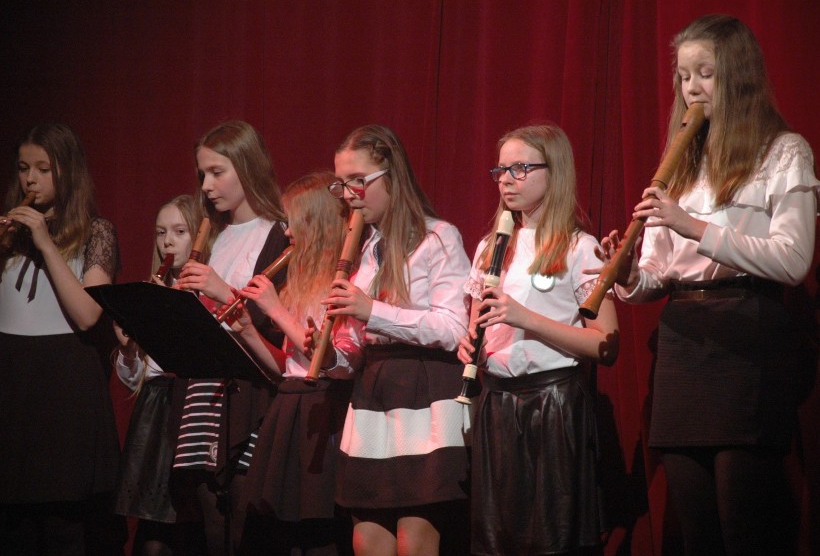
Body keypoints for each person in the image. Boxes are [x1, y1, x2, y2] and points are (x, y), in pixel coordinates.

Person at [598, 15, 819, 554]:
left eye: (706, 74)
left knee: (744, 521)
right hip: (683, 344)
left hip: (747, 337)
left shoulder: (784, 151)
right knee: (693, 527)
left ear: (738, 77)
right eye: (684, 76)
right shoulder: (681, 162)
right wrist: (626, 273)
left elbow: (793, 260)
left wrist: (692, 225)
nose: (692, 88)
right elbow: (656, 275)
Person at [310, 124, 472, 556]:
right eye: (342, 184)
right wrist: (327, 353)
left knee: (413, 541)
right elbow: (355, 348)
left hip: (424, 392)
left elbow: (453, 328)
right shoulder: (364, 249)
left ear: (392, 174)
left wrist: (372, 311)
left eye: (358, 181)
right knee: (367, 539)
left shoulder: (439, 236)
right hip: (372, 395)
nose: (348, 194)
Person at [457, 124, 619, 555]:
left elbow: (607, 344)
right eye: (501, 170)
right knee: (498, 539)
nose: (506, 179)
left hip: (553, 405)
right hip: (497, 404)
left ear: (555, 172)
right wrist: (468, 345)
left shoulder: (579, 247)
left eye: (521, 168)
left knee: (552, 539)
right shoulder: (490, 248)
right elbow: (477, 327)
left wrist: (527, 318)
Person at [0, 123, 124, 554]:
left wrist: (47, 243)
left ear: (67, 172)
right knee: (12, 522)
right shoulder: (7, 235)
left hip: (66, 381)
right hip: (13, 381)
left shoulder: (96, 232)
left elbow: (89, 314)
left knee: (65, 521)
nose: (30, 180)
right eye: (23, 169)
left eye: (43, 169)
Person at [170, 120, 290, 555]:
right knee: (207, 518)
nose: (206, 185)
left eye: (217, 172)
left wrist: (221, 291)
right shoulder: (213, 236)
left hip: (251, 388)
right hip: (204, 388)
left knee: (243, 513)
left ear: (246, 166)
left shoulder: (278, 233)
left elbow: (279, 323)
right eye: (203, 174)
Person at [228, 172, 356, 555]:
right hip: (290, 404)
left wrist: (275, 309)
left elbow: (324, 355)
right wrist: (248, 329)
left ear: (316, 223)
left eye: (294, 223)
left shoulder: (343, 280)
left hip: (324, 410)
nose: (286, 234)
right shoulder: (299, 279)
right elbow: (288, 367)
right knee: (275, 535)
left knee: (318, 535)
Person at [113, 194, 208, 555]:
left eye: (179, 231)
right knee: (153, 527)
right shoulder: (151, 290)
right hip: (154, 413)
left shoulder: (205, 291)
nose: (167, 241)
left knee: (190, 523)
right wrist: (127, 348)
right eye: (160, 232)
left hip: (189, 410)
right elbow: (135, 378)